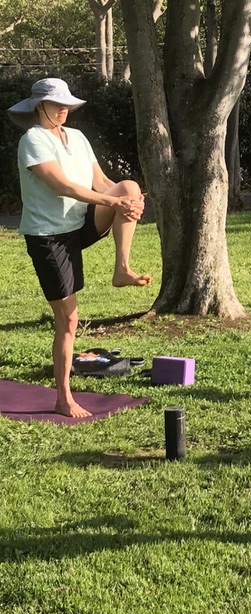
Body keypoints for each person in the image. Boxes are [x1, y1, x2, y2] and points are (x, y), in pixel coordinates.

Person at [8, 78, 149, 419]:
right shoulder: (33, 140)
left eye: (67, 103)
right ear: (39, 107)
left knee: (127, 186)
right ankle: (63, 398)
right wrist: (109, 201)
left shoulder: (78, 138)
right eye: (58, 104)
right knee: (69, 320)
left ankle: (122, 269)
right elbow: (62, 185)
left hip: (79, 225)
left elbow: (102, 183)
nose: (65, 109)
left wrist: (129, 203)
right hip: (48, 236)